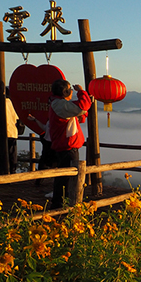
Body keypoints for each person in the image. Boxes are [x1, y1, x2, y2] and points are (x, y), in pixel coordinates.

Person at [48, 79, 91, 209]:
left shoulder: (58, 104)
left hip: (66, 145)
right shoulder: (60, 105)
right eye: (69, 90)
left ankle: (61, 202)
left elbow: (79, 112)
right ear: (65, 91)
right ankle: (62, 203)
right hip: (67, 146)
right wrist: (81, 92)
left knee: (65, 175)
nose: (71, 92)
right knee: (67, 177)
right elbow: (82, 106)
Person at [0, 88, 19, 174]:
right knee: (12, 154)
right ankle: (12, 172)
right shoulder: (14, 104)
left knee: (1, 155)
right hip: (12, 132)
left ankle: (3, 173)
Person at [25, 113, 58, 185]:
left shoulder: (59, 118)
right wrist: (35, 120)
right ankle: (39, 181)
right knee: (43, 163)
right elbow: (45, 128)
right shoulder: (50, 119)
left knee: (55, 164)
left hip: (55, 143)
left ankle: (57, 184)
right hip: (48, 142)